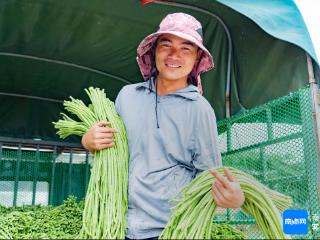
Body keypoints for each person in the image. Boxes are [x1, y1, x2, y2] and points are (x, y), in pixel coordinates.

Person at [82, 13, 244, 240]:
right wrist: (88, 141)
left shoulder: (199, 109)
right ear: (154, 51)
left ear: (197, 58)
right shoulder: (127, 96)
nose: (174, 55)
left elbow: (209, 177)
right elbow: (109, 149)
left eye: (186, 48)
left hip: (171, 229)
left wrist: (233, 201)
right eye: (166, 45)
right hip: (118, 225)